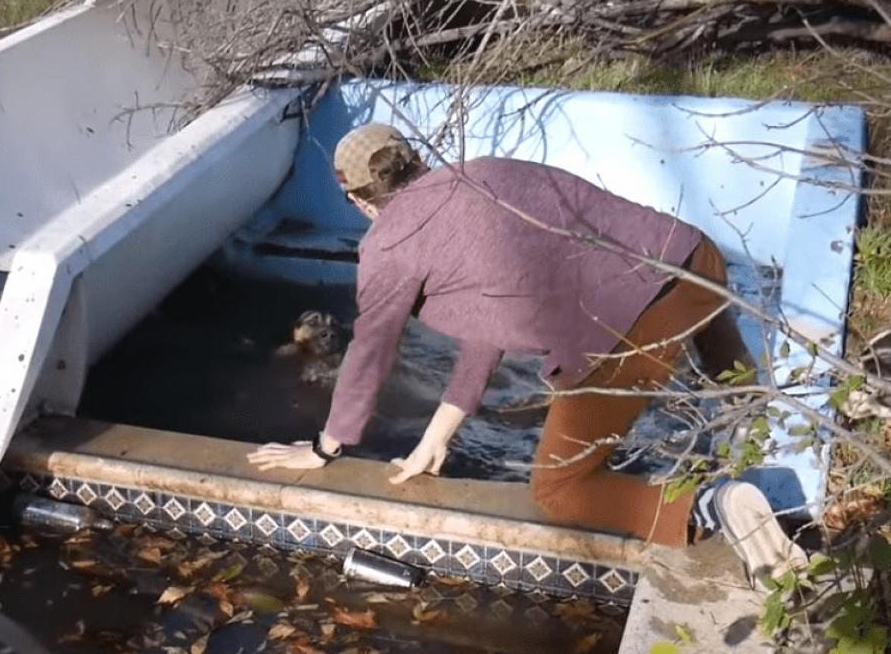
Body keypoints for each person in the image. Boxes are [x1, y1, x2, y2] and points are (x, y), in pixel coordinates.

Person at [246, 122, 808, 586]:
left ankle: (715, 506)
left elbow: (370, 352)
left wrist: (325, 448)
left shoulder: (387, 249)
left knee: (560, 489)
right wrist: (439, 435)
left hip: (631, 319)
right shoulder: (482, 173)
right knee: (740, 394)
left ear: (355, 199)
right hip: (692, 257)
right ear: (414, 160)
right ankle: (787, 470)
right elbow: (492, 316)